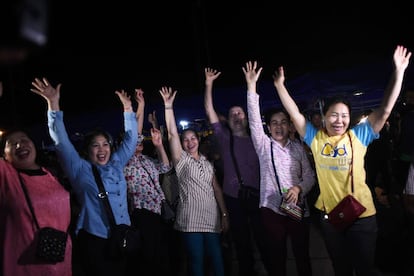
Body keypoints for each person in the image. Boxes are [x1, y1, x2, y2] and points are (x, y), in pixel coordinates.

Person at [272, 45, 411, 276]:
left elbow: (385, 108)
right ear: (324, 118)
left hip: (362, 216)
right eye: (334, 115)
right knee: (341, 269)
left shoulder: (359, 136)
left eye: (344, 115)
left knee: (364, 269)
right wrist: (279, 86)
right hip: (330, 219)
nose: (339, 120)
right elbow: (295, 114)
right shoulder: (315, 139)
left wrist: (399, 71)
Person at [30, 77, 140, 276]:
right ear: (87, 150)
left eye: (105, 144)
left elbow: (131, 141)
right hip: (96, 239)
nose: (102, 149)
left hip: (123, 235)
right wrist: (53, 104)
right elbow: (61, 142)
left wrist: (128, 109)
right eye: (95, 145)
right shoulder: (79, 169)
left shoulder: (116, 163)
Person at [243, 61, 316, 276]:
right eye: (274, 122)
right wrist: (251, 87)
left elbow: (310, 176)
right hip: (271, 208)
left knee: (302, 254)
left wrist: (299, 189)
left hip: (297, 208)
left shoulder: (299, 148)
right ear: (269, 127)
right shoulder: (264, 145)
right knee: (277, 256)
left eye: (283, 121)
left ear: (289, 125)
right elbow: (254, 121)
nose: (278, 126)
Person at [203, 67, 269, 276]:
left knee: (263, 240)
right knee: (241, 243)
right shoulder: (224, 137)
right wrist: (208, 84)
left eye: (240, 112)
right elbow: (209, 110)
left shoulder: (258, 139)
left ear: (246, 118)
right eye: (232, 114)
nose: (237, 116)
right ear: (228, 120)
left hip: (258, 197)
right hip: (233, 198)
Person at [159, 86, 229, 276]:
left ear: (198, 139)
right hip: (190, 219)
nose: (190, 142)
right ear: (182, 144)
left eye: (192, 138)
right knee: (196, 263)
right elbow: (172, 133)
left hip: (212, 218)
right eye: (186, 140)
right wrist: (168, 106)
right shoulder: (181, 160)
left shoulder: (207, 162)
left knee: (217, 260)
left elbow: (216, 189)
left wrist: (224, 215)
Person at [0, 128, 72, 276]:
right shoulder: (6, 176)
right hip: (25, 264)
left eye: (24, 140)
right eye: (13, 144)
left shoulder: (50, 173)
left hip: (59, 256)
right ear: (4, 156)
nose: (20, 145)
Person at [123, 88, 172, 276]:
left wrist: (159, 146)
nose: (139, 140)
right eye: (136, 140)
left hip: (158, 212)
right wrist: (141, 105)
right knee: (147, 260)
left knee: (160, 257)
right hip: (142, 213)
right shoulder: (127, 161)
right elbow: (133, 134)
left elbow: (165, 168)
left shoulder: (146, 160)